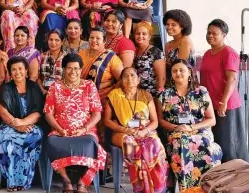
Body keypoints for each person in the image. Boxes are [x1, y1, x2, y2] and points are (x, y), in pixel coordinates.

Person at [156, 60, 223, 192]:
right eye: (174, 71)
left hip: (200, 130)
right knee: (181, 143)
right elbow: (160, 120)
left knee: (202, 142)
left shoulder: (201, 92)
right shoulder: (164, 94)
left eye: (182, 70)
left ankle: (207, 187)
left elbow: (211, 120)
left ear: (189, 73)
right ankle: (187, 189)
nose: (178, 73)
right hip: (176, 133)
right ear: (171, 75)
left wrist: (191, 128)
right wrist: (176, 128)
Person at [44, 53, 106, 193]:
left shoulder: (89, 86)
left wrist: (84, 129)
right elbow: (48, 113)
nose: (73, 72)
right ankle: (66, 180)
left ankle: (81, 182)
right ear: (64, 69)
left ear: (81, 69)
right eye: (69, 68)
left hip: (85, 131)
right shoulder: (55, 87)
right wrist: (59, 129)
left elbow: (97, 114)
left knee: (91, 143)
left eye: (76, 68)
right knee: (52, 141)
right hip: (60, 131)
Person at [103, 67, 168, 193]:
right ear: (121, 80)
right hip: (121, 132)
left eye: (132, 75)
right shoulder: (114, 95)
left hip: (144, 131)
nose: (129, 79)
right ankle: (141, 187)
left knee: (154, 144)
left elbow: (154, 121)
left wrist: (144, 132)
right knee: (130, 144)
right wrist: (124, 130)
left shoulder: (145, 95)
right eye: (125, 76)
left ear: (138, 79)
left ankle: (157, 188)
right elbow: (107, 120)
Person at [201, 19, 249, 161]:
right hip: (210, 105)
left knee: (229, 143)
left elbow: (232, 79)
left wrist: (223, 101)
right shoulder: (207, 54)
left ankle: (237, 175)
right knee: (216, 142)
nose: (210, 35)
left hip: (226, 104)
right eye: (208, 33)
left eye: (215, 33)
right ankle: (219, 175)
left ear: (224, 35)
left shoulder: (229, 52)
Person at [0, 57, 44, 191]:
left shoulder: (34, 87)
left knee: (30, 138)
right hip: (9, 125)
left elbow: (38, 112)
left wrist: (22, 123)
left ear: (26, 70)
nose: (17, 72)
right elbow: (2, 111)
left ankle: (23, 181)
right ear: (10, 73)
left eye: (20, 69)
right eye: (14, 70)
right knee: (6, 140)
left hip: (30, 125)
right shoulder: (6, 88)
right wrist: (16, 125)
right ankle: (11, 181)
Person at [78, 27, 123, 101]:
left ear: (104, 41)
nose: (94, 40)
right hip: (81, 97)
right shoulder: (80, 54)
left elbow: (121, 80)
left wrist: (111, 90)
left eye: (98, 38)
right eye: (91, 37)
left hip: (103, 99)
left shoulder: (111, 57)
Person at [132, 21, 166, 97]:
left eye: (144, 34)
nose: (140, 36)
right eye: (138, 33)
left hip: (152, 95)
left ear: (149, 36)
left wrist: (159, 98)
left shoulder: (156, 52)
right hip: (136, 94)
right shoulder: (134, 51)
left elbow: (161, 78)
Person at [163, 9, 196, 81]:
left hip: (186, 81)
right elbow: (167, 65)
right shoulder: (168, 45)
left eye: (173, 25)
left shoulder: (185, 41)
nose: (169, 27)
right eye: (167, 24)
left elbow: (180, 65)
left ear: (182, 26)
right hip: (172, 80)